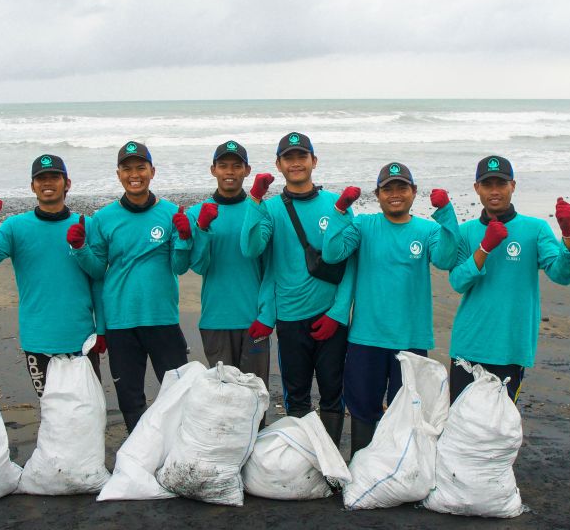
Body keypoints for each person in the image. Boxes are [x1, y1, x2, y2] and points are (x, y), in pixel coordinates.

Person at [322, 162, 459, 456]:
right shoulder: (363, 226)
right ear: (377, 194)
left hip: (410, 340)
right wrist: (340, 210)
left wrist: (447, 214)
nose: (395, 194)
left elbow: (446, 259)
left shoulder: (428, 229)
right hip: (366, 338)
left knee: (407, 413)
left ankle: (401, 472)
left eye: (402, 188)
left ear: (413, 192)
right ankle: (361, 466)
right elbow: (332, 252)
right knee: (362, 408)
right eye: (388, 189)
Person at [66, 141, 191, 433]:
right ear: (119, 174)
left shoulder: (171, 213)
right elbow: (97, 269)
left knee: (179, 394)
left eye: (141, 167)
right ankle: (139, 454)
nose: (134, 174)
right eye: (127, 168)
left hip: (162, 318)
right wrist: (80, 247)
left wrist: (184, 238)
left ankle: (178, 452)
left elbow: (179, 267)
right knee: (130, 398)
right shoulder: (104, 218)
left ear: (152, 171)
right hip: (121, 322)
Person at [240, 132, 356, 447]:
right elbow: (251, 249)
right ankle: (302, 458)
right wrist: (254, 200)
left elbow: (350, 263)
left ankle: (329, 459)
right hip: (290, 319)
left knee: (333, 391)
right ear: (279, 165)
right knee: (297, 394)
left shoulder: (336, 204)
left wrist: (337, 313)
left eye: (301, 156)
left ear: (313, 161)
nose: (295, 163)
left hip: (329, 315)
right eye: (288, 158)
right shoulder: (270, 208)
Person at [0, 154, 106, 398]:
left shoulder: (87, 224)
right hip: (38, 339)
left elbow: (98, 275)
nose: (47, 182)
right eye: (40, 178)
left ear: (67, 183)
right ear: (32, 186)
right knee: (52, 411)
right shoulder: (15, 227)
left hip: (81, 338)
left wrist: (102, 330)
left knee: (88, 408)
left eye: (54, 176)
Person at [448, 155, 570, 403]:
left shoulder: (535, 229)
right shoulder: (465, 232)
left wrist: (568, 234)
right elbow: (457, 282)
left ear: (513, 186)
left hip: (511, 346)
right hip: (468, 346)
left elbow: (562, 274)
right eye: (487, 184)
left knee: (498, 429)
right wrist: (484, 248)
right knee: (461, 428)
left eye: (501, 183)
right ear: (477, 188)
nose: (494, 191)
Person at [186, 141, 275, 396]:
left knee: (255, 396)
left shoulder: (261, 210)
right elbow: (199, 266)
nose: (230, 172)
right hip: (215, 319)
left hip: (253, 320)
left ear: (247, 170)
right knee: (222, 399)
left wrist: (267, 315)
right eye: (223, 165)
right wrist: (201, 230)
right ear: (213, 169)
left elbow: (269, 267)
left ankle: (256, 437)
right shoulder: (197, 212)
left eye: (237, 166)